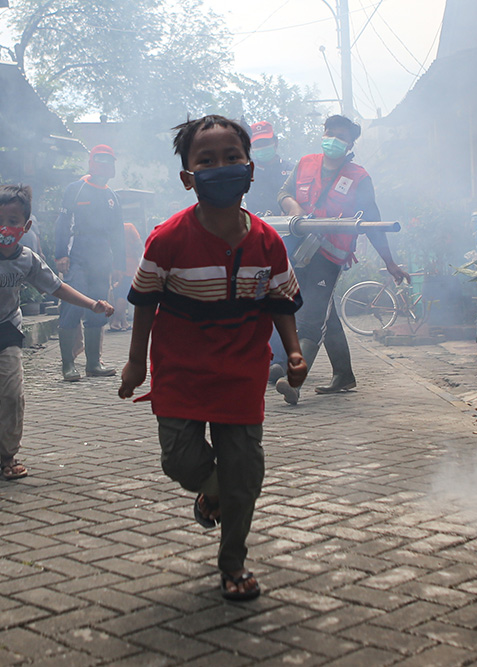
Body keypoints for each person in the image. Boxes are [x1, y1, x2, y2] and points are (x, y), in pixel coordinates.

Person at [119, 115, 307, 601]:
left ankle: (233, 562)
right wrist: (136, 362)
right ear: (188, 177)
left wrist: (294, 350)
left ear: (249, 169)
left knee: (246, 469)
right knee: (180, 460)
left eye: (231, 158)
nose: (220, 167)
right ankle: (213, 490)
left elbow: (280, 301)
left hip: (242, 372)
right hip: (180, 371)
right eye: (207, 160)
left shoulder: (268, 241)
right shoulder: (166, 239)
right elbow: (143, 301)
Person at [0, 184, 114, 480]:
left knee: (14, 395)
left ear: (25, 226)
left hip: (6, 335)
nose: (4, 227)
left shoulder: (27, 259)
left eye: (12, 222)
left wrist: (92, 305)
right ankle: (0, 406)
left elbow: (56, 287)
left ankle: (8, 456)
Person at [274, 114, 411, 404]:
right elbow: (283, 192)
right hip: (300, 251)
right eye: (329, 133)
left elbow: (372, 220)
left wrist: (389, 261)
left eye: (340, 136)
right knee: (326, 315)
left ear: (350, 144)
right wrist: (294, 207)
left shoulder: (359, 178)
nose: (333, 139)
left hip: (330, 256)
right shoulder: (305, 163)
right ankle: (344, 375)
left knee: (312, 317)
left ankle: (295, 382)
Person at [55, 145, 125, 381]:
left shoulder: (112, 197)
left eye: (110, 160)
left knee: (99, 309)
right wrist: (60, 253)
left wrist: (119, 265)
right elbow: (62, 223)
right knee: (72, 307)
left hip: (102, 260)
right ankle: (68, 365)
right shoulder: (75, 189)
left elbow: (117, 234)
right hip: (77, 257)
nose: (106, 164)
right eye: (101, 159)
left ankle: (93, 363)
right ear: (92, 161)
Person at [245, 121, 294, 217]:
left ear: (275, 142)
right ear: (251, 147)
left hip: (284, 227)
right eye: (257, 145)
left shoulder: (291, 170)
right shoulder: (246, 170)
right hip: (253, 226)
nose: (262, 147)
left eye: (265, 142)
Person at [109, 222, 144, 331]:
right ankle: (115, 322)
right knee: (123, 295)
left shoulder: (111, 228)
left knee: (119, 293)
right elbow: (138, 244)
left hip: (115, 265)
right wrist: (143, 257)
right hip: (129, 266)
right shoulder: (129, 227)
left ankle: (124, 323)